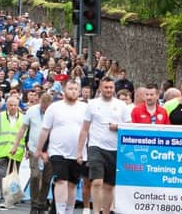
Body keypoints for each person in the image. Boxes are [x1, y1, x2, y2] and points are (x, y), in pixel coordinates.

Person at [76, 77, 130, 214]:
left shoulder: (121, 105)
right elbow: (84, 129)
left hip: (115, 148)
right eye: (106, 87)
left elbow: (129, 127)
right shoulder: (92, 104)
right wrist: (79, 151)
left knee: (109, 186)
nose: (109, 90)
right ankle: (95, 211)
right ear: (100, 88)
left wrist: (118, 127)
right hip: (96, 147)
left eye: (111, 87)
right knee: (97, 182)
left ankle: (105, 211)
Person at [36, 81, 87, 214]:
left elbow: (90, 129)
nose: (73, 91)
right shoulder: (54, 108)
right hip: (58, 151)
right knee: (61, 181)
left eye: (76, 89)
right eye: (70, 88)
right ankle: (60, 211)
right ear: (64, 90)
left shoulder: (85, 108)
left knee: (72, 184)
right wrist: (39, 149)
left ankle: (68, 211)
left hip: (78, 152)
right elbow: (45, 130)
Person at [13, 92, 54, 214]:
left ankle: (42, 203)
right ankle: (34, 204)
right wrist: (16, 145)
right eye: (42, 106)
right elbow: (22, 129)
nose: (44, 109)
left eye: (46, 107)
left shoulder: (55, 112)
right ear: (39, 101)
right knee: (35, 176)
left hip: (50, 151)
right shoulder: (31, 111)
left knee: (46, 179)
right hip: (33, 149)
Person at [0, 95, 24, 208]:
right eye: (11, 105)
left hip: (17, 152)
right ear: (6, 106)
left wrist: (28, 149)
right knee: (4, 175)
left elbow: (27, 135)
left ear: (18, 106)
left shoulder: (24, 118)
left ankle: (12, 198)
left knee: (13, 176)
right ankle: (5, 199)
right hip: (2, 151)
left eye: (15, 105)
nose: (13, 107)